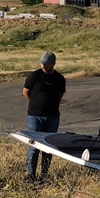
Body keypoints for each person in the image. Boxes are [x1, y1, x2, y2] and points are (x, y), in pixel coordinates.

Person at [23, 51, 66, 181]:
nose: (43, 66)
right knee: (34, 145)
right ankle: (31, 175)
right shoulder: (34, 76)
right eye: (42, 63)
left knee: (48, 147)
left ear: (53, 64)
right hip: (35, 116)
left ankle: (44, 175)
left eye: (46, 64)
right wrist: (36, 104)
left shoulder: (59, 78)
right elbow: (25, 92)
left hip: (52, 117)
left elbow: (60, 95)